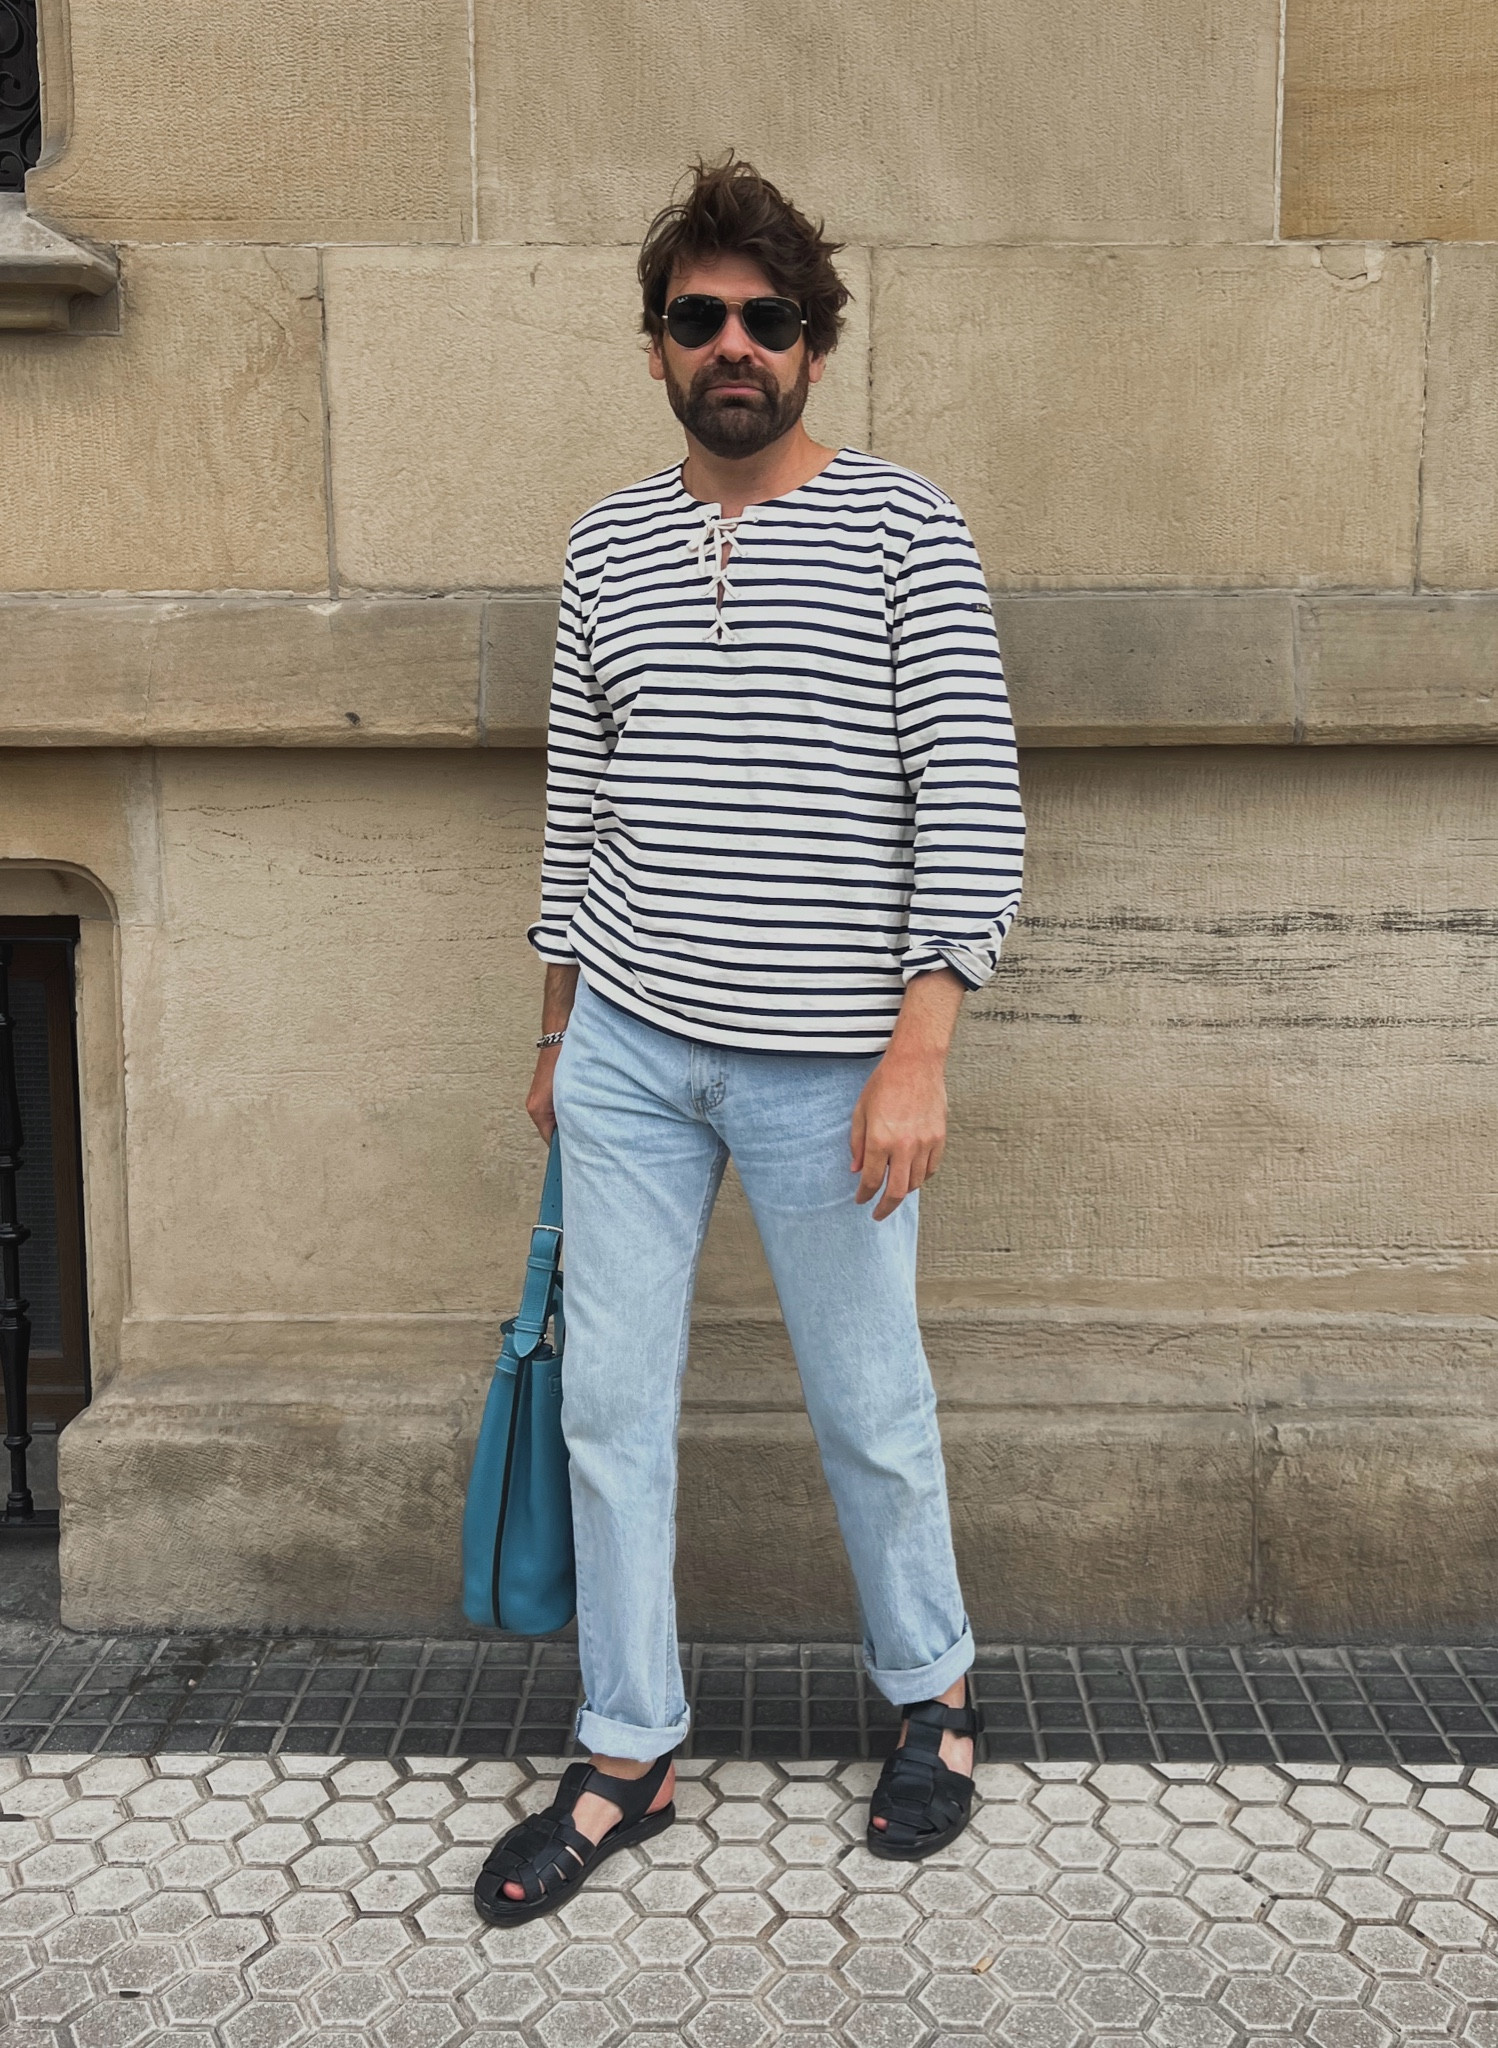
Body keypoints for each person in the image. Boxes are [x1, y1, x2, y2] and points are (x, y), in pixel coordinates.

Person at [474, 155, 1024, 1926]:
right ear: (654, 349)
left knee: (870, 1410)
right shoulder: (606, 544)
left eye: (765, 319)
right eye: (698, 316)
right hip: (630, 1050)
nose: (733, 343)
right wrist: (562, 1025)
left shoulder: (903, 529)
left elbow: (969, 795)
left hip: (828, 1075)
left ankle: (931, 1704)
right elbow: (580, 801)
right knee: (613, 1417)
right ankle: (626, 1747)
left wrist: (919, 1045)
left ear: (811, 344)